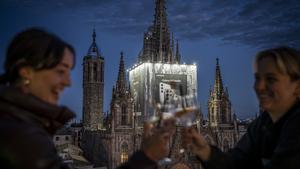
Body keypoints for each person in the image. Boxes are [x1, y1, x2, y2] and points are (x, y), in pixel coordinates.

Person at [183, 46, 300, 169]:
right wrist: (205, 151)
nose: (260, 86)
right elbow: (236, 162)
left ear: (297, 86)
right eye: (257, 78)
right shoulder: (262, 124)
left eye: (271, 79)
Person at [0, 28, 76, 169]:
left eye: (69, 72)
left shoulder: (16, 120)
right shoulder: (21, 136)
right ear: (26, 72)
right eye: (60, 71)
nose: (68, 82)